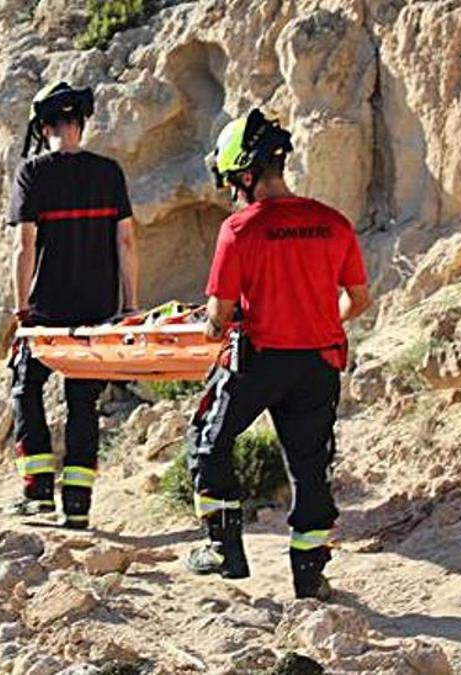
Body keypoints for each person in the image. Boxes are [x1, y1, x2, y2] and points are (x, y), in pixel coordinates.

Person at [183, 109, 372, 599]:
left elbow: (219, 317)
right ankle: (310, 577)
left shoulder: (240, 230)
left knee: (208, 439)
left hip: (259, 362)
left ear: (244, 175)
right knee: (309, 468)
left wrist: (206, 324)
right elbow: (358, 300)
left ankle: (224, 549)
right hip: (319, 364)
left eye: (232, 182)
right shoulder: (333, 223)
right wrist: (319, 318)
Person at [6, 82, 140, 530]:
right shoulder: (109, 172)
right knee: (83, 404)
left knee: (27, 388)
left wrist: (21, 308)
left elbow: (25, 247)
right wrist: (130, 305)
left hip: (46, 307)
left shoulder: (32, 173)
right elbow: (126, 240)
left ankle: (38, 492)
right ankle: (78, 506)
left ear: (44, 128)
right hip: (99, 307)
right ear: (81, 123)